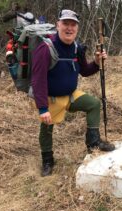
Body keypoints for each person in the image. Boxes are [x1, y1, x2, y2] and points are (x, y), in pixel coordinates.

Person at [31, 9, 115, 177]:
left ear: (77, 28)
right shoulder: (45, 49)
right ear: (58, 25)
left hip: (71, 95)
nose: (69, 28)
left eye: (73, 25)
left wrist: (97, 62)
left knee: (93, 104)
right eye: (65, 24)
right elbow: (37, 81)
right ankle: (47, 160)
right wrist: (42, 108)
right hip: (52, 98)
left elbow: (84, 70)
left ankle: (93, 144)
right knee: (47, 127)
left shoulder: (77, 48)